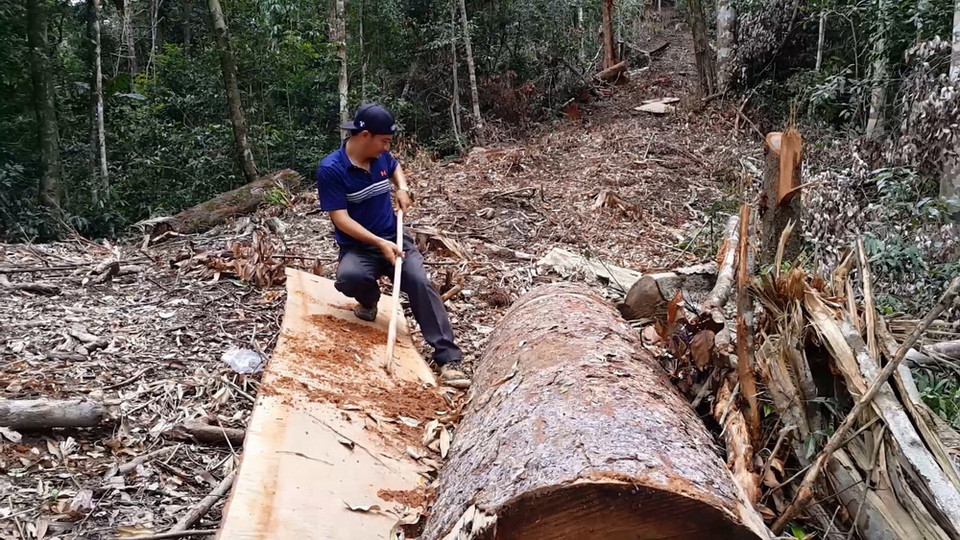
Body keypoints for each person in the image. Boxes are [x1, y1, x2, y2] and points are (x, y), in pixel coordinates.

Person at [316, 103, 469, 387]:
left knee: (419, 282)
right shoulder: (332, 170)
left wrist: (402, 188)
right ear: (364, 136)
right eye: (384, 141)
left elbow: (395, 166)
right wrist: (377, 242)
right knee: (349, 278)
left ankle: (449, 359)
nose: (387, 148)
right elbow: (340, 218)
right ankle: (369, 301)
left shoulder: (381, 157)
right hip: (360, 246)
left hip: (396, 239)